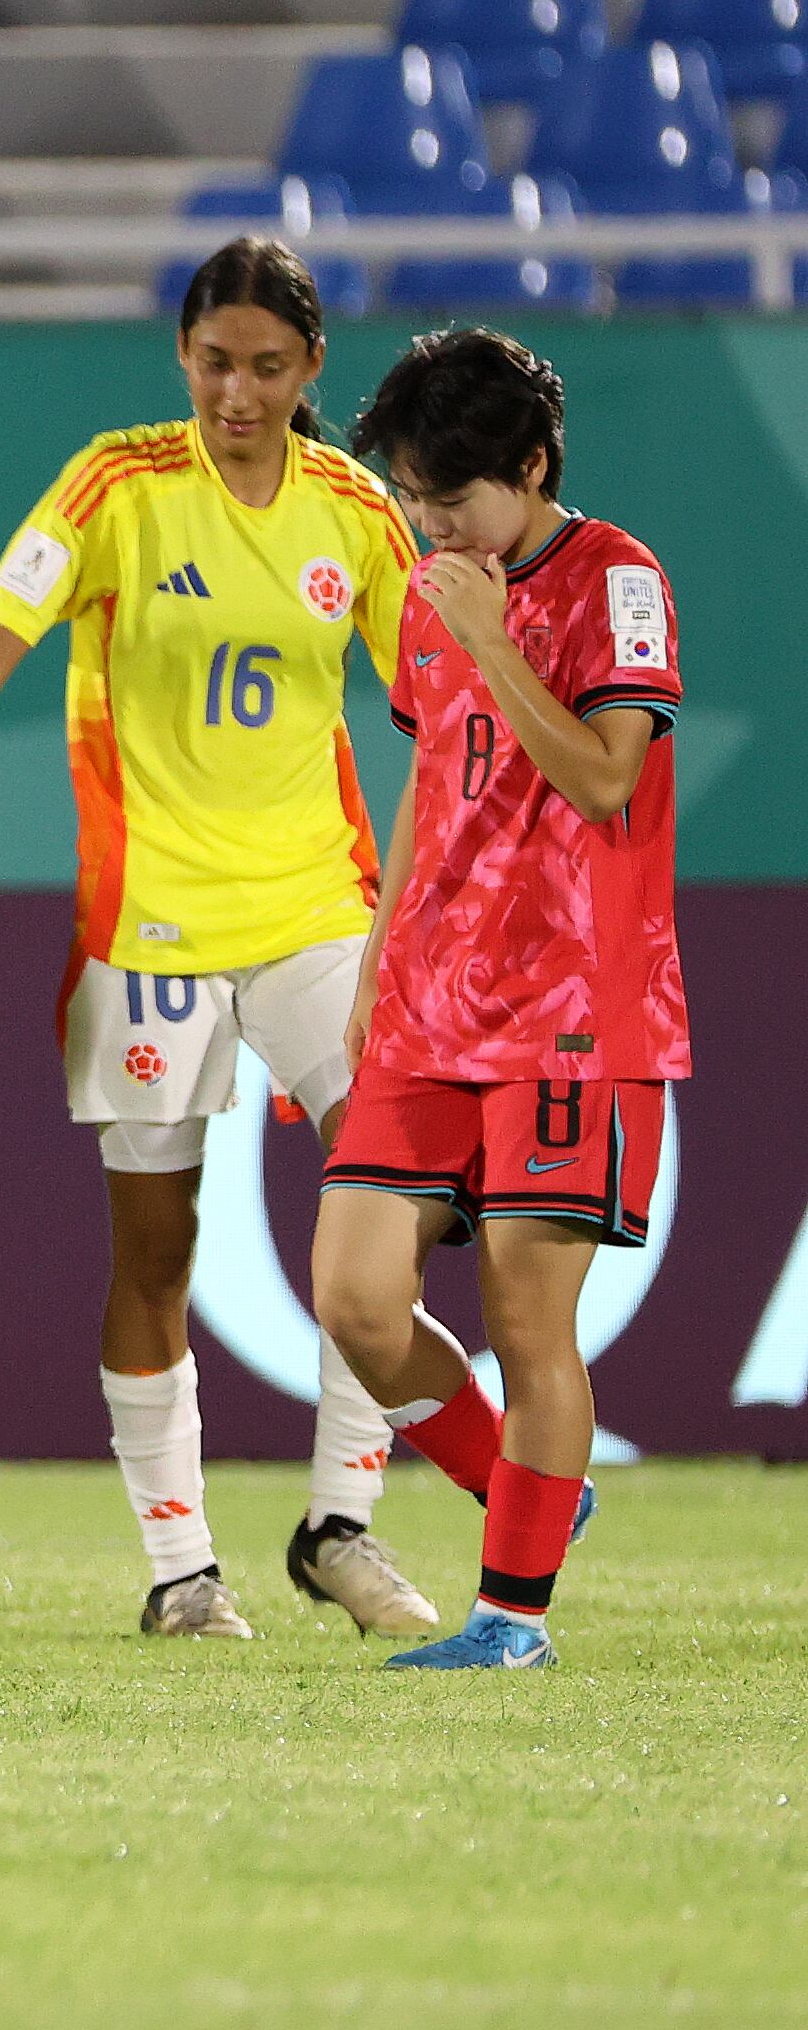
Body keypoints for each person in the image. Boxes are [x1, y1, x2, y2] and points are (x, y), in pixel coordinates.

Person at [0, 235, 437, 1640]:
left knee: (389, 1222)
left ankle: (338, 1526)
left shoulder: (357, 511)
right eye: (211, 362)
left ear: (310, 372)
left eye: (265, 366)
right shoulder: (114, 486)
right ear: (180, 358)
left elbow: (431, 705)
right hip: (150, 926)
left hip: (318, 914)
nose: (233, 391)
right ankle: (182, 1569)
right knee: (154, 1251)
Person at [315, 331, 682, 1671]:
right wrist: (375, 945)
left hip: (571, 1002)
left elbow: (601, 782)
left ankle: (508, 1619)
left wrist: (494, 635)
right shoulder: (429, 589)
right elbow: (430, 776)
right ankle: (531, 1496)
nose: (426, 522)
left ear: (528, 466)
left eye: (448, 496)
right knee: (353, 1297)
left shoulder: (616, 580)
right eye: (411, 497)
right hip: (429, 996)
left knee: (527, 1322)